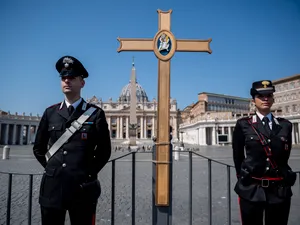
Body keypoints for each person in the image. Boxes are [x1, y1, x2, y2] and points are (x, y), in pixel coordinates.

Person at [33, 55, 111, 225]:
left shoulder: (96, 114)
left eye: (72, 77)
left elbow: (105, 151)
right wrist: (53, 169)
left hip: (82, 189)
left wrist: (86, 173)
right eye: (63, 78)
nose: (66, 81)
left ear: (82, 83)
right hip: (52, 189)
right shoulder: (50, 113)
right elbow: (38, 148)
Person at [232, 80, 296, 225]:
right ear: (253, 100)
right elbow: (238, 155)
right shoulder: (243, 124)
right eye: (261, 96)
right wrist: (242, 178)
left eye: (269, 95)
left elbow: (286, 155)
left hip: (278, 190)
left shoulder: (285, 125)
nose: (265, 98)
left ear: (273, 98)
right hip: (252, 189)